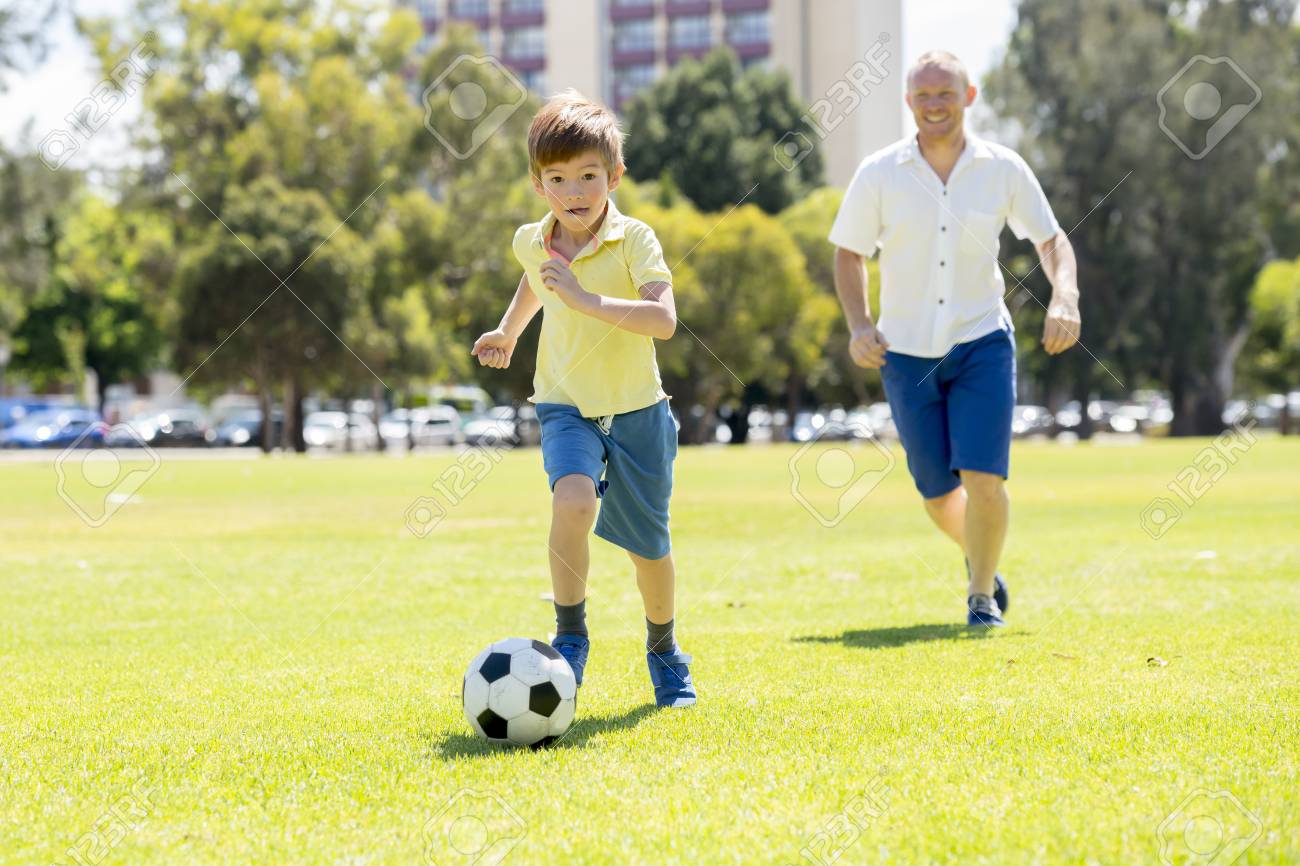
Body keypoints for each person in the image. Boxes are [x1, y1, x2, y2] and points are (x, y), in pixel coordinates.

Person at [828, 51, 1082, 627]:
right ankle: (982, 556)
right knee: (938, 493)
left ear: (969, 96)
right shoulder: (880, 172)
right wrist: (859, 326)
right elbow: (848, 252)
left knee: (984, 477)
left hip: (981, 341)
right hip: (906, 351)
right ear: (909, 103)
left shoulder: (1003, 167)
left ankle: (980, 597)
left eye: (946, 93)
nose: (934, 105)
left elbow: (1051, 240)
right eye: (923, 96)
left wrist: (1064, 296)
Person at [471, 91, 695, 706]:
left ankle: (664, 648)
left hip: (637, 410)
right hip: (564, 402)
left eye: (588, 176)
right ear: (539, 183)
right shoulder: (532, 240)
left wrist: (587, 301)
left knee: (649, 548)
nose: (574, 191)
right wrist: (509, 332)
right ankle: (571, 636)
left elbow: (664, 320)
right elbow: (533, 281)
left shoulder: (635, 240)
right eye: (558, 178)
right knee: (571, 501)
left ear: (614, 176)